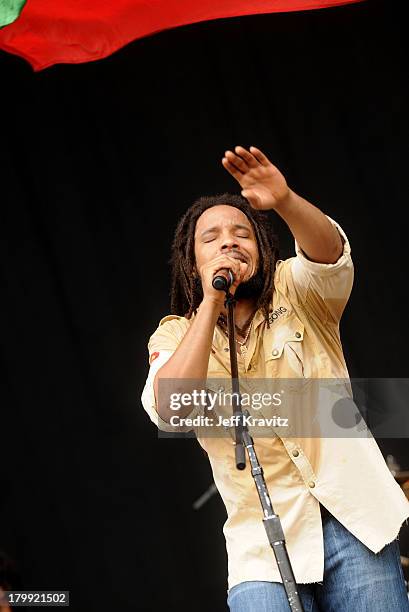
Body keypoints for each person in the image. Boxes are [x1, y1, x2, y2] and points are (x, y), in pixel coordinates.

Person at [141, 145, 409, 611]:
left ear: (262, 252)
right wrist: (210, 303)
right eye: (212, 238)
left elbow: (331, 255)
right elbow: (172, 408)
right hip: (260, 550)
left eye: (241, 233)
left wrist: (284, 199)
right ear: (191, 263)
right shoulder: (176, 333)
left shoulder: (296, 288)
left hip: (354, 518)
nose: (228, 242)